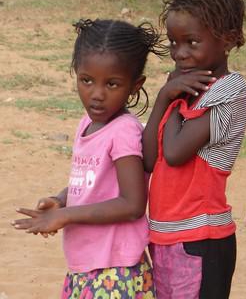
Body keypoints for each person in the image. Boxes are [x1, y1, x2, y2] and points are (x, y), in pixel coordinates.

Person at [12, 19, 164, 298]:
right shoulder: (87, 123)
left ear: (135, 85)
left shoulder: (123, 131)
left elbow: (132, 204)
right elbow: (96, 184)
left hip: (114, 271)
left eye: (113, 84)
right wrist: (60, 199)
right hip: (86, 266)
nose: (97, 94)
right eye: (87, 80)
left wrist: (64, 216)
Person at [142, 0, 246, 299]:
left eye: (191, 42)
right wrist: (164, 97)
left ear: (227, 40)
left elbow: (174, 152)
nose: (180, 53)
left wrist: (173, 98)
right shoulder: (180, 89)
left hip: (202, 240)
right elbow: (149, 158)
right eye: (174, 43)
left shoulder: (230, 91)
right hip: (165, 237)